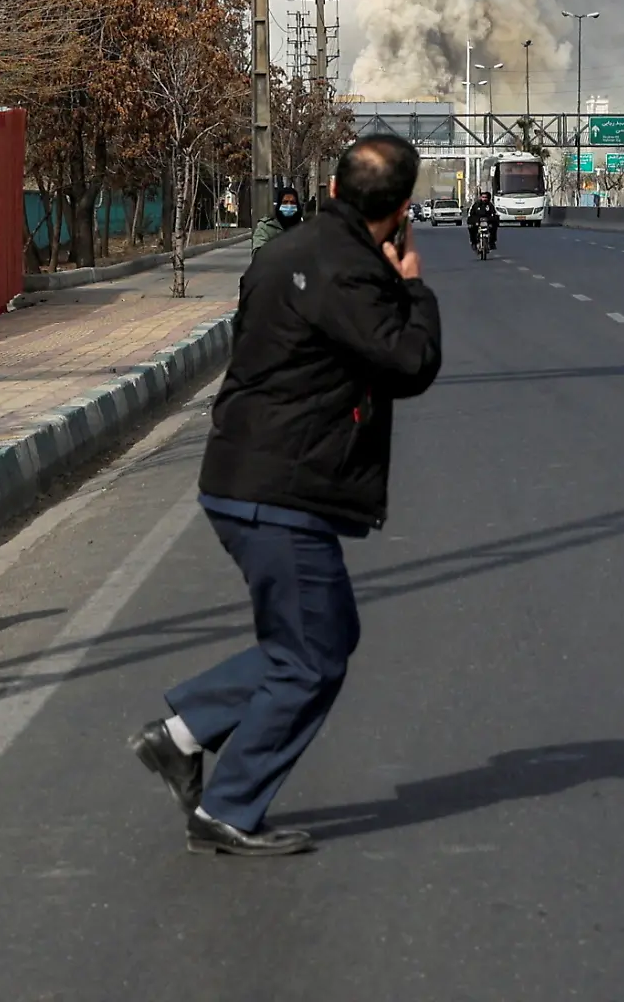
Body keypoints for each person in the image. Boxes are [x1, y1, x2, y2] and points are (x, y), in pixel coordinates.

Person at [129, 134, 441, 858]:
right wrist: (415, 286)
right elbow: (409, 361)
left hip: (239, 476)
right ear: (400, 211)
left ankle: (180, 735)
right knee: (312, 656)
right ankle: (228, 806)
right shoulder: (354, 276)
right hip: (283, 490)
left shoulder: (282, 252)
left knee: (316, 641)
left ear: (332, 192)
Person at [251, 186, 303, 255]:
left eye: (292, 202)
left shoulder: (304, 227)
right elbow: (258, 254)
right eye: (285, 202)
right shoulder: (266, 227)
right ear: (279, 204)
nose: (289, 205)